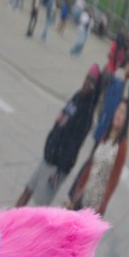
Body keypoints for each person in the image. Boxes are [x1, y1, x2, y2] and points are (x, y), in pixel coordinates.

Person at [15, 64, 99, 207]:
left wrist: (59, 172)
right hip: (49, 154)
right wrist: (51, 138)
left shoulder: (88, 114)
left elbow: (74, 145)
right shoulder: (77, 96)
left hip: (58, 166)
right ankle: (9, 220)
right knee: (28, 189)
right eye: (87, 78)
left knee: (40, 206)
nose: (87, 83)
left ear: (95, 87)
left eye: (92, 81)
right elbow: (62, 116)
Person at [68, 99, 129, 215]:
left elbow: (113, 180)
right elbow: (91, 164)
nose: (118, 114)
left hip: (94, 207)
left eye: (123, 112)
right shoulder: (106, 134)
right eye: (118, 110)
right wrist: (78, 188)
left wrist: (101, 207)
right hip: (83, 196)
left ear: (126, 120)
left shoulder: (122, 146)